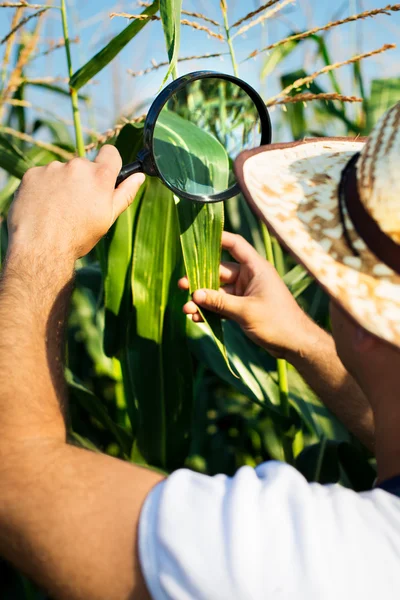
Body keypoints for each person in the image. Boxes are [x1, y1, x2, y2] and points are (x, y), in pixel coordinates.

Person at [0, 101, 400, 600]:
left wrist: (43, 240)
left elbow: (14, 478)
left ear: (362, 315)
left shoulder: (307, 562)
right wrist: (302, 337)